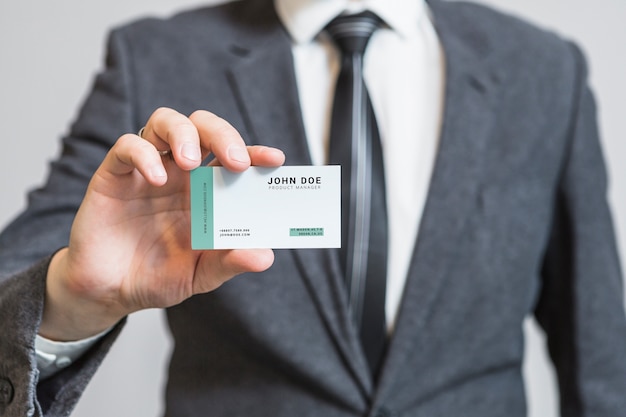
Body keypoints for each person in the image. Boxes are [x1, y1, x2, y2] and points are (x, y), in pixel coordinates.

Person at [1, 0, 625, 416]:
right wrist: (75, 298)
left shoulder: (544, 71)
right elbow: (17, 282)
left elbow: (600, 359)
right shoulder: (154, 57)